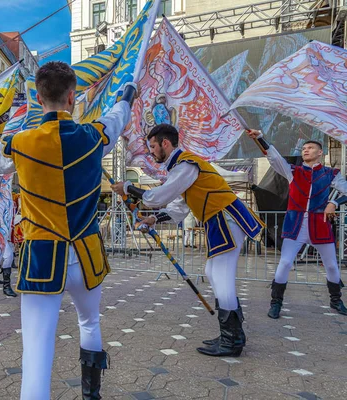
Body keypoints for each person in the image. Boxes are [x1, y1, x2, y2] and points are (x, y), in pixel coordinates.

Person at [0, 61, 137, 399]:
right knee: (90, 324)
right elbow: (118, 116)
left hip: (42, 259)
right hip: (86, 254)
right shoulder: (95, 135)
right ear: (73, 97)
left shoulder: (20, 143)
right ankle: (91, 395)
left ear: (39, 98)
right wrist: (127, 93)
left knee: (37, 352)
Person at [112, 124, 264, 358]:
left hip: (225, 219)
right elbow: (179, 208)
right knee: (213, 272)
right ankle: (232, 335)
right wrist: (154, 219)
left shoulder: (185, 163)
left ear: (165, 143)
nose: (151, 152)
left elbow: (157, 197)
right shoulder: (183, 168)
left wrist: (129, 187)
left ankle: (232, 340)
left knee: (221, 276)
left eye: (153, 146)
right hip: (219, 220)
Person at [246, 130, 347, 318]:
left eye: (310, 148)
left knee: (332, 266)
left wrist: (333, 203)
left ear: (320, 153)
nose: (306, 150)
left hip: (320, 225)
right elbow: (274, 157)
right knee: (284, 263)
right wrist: (259, 137)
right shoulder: (293, 171)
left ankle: (336, 300)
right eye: (304, 148)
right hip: (295, 225)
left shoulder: (331, 174)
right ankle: (276, 302)